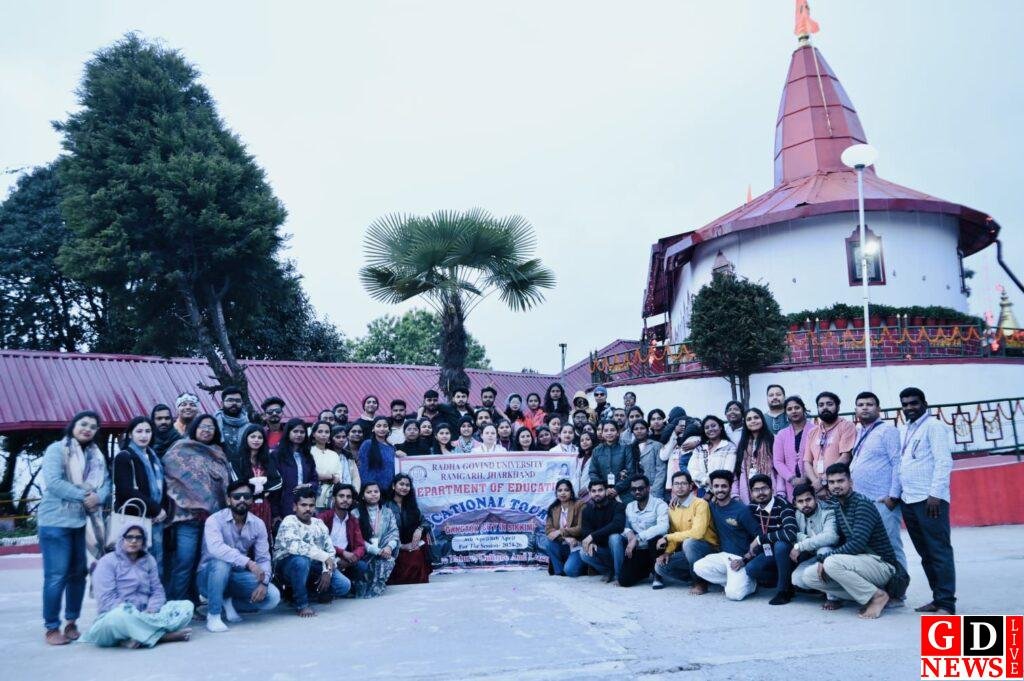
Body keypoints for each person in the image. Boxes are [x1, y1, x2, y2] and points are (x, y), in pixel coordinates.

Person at [38, 411, 110, 645]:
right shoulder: (56, 450)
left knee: (78, 574)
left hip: (82, 522)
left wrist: (98, 498)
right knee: (56, 575)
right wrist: (85, 496)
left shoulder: (96, 455)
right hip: (55, 522)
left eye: (93, 426)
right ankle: (51, 627)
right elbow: (55, 483)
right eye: (83, 424)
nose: (88, 428)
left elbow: (107, 483)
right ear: (73, 426)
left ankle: (71, 622)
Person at [801, 463, 909, 619]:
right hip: (860, 562)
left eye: (840, 481)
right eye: (831, 482)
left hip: (882, 564)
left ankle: (878, 597)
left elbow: (857, 544)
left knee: (831, 563)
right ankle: (869, 593)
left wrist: (824, 558)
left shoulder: (862, 504)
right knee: (809, 577)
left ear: (850, 482)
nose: (836, 486)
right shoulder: (838, 506)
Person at [896, 387, 956, 615]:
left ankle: (947, 604)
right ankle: (937, 598)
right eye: (905, 404)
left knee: (939, 551)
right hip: (909, 500)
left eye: (914, 403)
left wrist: (935, 495)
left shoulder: (935, 427)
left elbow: (943, 462)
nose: (909, 407)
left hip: (930, 500)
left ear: (924, 403)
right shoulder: (904, 430)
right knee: (925, 553)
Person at [83, 525, 193, 648]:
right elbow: (106, 599)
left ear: (143, 541)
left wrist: (151, 610)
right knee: (120, 616)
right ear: (121, 539)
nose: (134, 541)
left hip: (147, 614)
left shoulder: (149, 560)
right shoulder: (107, 561)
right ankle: (162, 637)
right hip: (115, 617)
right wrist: (134, 614)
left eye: (138, 537)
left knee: (186, 606)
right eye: (129, 537)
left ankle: (134, 638)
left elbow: (157, 591)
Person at [162, 414, 233, 602]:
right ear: (194, 428)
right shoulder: (180, 449)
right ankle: (177, 604)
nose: (207, 430)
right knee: (184, 562)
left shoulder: (218, 452)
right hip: (187, 517)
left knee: (201, 563)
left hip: (213, 519)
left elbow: (224, 483)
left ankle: (193, 602)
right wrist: (198, 499)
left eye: (211, 427)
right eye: (203, 426)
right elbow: (172, 474)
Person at [199, 480, 280, 632]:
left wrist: (264, 583)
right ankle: (214, 614)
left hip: (236, 576)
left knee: (272, 597)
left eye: (246, 496)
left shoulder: (258, 524)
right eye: (237, 496)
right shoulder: (214, 520)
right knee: (221, 563)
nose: (242, 500)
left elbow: (263, 558)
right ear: (228, 500)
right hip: (208, 577)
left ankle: (228, 601)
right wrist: (248, 563)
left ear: (252, 499)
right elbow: (216, 548)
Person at [849, 391, 907, 571]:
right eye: (860, 405)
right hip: (862, 501)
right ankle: (881, 590)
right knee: (870, 548)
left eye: (869, 404)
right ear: (855, 410)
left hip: (883, 500)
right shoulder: (858, 432)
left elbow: (897, 463)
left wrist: (893, 496)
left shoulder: (887, 430)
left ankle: (899, 593)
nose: (864, 407)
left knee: (891, 546)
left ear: (878, 408)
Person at [273, 486, 351, 616]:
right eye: (303, 505)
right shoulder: (289, 521)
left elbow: (330, 550)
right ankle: (302, 604)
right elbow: (296, 546)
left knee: (344, 585)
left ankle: (307, 592)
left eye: (311, 505)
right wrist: (324, 558)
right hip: (287, 566)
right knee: (301, 561)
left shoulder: (318, 523)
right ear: (294, 507)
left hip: (313, 565)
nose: (308, 509)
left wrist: (327, 571)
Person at [114, 416, 170, 580]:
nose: (143, 435)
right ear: (130, 434)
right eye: (139, 431)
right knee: (133, 566)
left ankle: (153, 602)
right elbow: (126, 491)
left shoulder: (154, 458)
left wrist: (162, 510)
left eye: (147, 431)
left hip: (156, 521)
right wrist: (156, 508)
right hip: (134, 520)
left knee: (153, 566)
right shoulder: (125, 456)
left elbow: (162, 489)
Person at [691, 470, 761, 600]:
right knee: (698, 567)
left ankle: (751, 584)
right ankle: (731, 582)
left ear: (730, 487)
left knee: (734, 595)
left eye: (724, 486)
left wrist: (746, 559)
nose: (720, 490)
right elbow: (696, 506)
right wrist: (677, 499)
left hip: (740, 559)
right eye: (716, 486)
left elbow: (759, 536)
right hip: (723, 557)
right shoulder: (711, 507)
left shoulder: (741, 509)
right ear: (711, 488)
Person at [652, 470, 717, 591]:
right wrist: (668, 552)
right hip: (690, 553)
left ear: (691, 486)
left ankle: (700, 583)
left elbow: (697, 533)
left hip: (708, 549)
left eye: (683, 483)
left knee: (689, 542)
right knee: (660, 567)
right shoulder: (672, 508)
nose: (680, 487)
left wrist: (668, 537)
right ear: (672, 487)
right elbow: (673, 533)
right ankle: (697, 577)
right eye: (676, 484)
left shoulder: (700, 504)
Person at [744, 474, 798, 604]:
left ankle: (784, 591)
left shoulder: (783, 505)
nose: (761, 493)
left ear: (772, 489)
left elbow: (791, 533)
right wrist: (745, 557)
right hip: (768, 553)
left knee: (781, 545)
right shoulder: (752, 508)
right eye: (756, 490)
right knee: (751, 569)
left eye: (764, 488)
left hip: (789, 553)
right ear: (751, 493)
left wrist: (760, 539)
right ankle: (786, 580)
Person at [788, 483, 840, 604]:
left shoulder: (828, 511)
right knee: (796, 579)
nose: (805, 504)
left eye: (808, 499)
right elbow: (795, 534)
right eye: (800, 501)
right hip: (812, 557)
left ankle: (834, 598)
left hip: (834, 556)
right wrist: (811, 539)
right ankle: (826, 588)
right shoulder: (798, 514)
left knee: (824, 549)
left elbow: (831, 536)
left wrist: (801, 545)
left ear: (815, 498)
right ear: (795, 503)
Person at [564, 480, 626, 580]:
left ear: (606, 491)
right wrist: (591, 541)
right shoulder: (587, 510)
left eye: (600, 490)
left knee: (614, 537)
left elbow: (618, 525)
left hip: (618, 549)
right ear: (589, 493)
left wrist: (592, 536)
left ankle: (620, 576)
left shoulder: (617, 506)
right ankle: (608, 571)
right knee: (584, 553)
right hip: (602, 550)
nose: (597, 493)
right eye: (593, 491)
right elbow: (586, 531)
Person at [617, 475, 669, 586]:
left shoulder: (660, 504)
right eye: (633, 489)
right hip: (638, 550)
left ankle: (658, 575)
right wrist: (629, 532)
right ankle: (644, 571)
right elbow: (623, 526)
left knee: (656, 537)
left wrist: (638, 537)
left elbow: (664, 526)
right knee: (624, 581)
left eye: (640, 488)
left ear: (648, 488)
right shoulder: (630, 507)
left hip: (655, 549)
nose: (637, 491)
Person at [804, 391, 857, 498]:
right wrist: (816, 483)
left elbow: (846, 457)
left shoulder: (846, 426)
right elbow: (807, 461)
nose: (825, 408)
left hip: (838, 485)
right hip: (818, 489)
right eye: (821, 405)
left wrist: (824, 480)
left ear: (838, 407)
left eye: (829, 404)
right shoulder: (813, 432)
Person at [317, 483, 367, 588]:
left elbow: (361, 546)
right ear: (334, 498)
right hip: (325, 559)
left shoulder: (353, 520)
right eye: (341, 496)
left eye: (348, 497)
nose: (345, 499)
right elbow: (319, 542)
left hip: (344, 561)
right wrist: (343, 553)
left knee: (362, 566)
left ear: (352, 500)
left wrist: (353, 557)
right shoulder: (323, 517)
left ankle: (345, 585)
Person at [354, 482, 399, 597]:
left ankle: (377, 587)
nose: (373, 494)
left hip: (384, 551)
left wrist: (389, 548)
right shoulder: (355, 513)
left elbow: (394, 532)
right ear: (363, 495)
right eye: (369, 492)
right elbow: (355, 538)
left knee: (389, 560)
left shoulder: (388, 512)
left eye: (376, 491)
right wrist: (376, 550)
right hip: (363, 553)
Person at [387, 474, 433, 585]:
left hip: (412, 545)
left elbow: (426, 522)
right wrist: (401, 546)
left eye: (407, 485)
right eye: (401, 484)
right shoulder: (385, 505)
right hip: (392, 546)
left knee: (417, 556)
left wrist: (420, 528)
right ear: (394, 486)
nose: (404, 487)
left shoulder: (412, 506)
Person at [272, 418, 318, 521]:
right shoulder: (277, 455)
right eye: (295, 431)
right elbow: (274, 486)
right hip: (285, 503)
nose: (299, 434)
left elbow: (315, 480)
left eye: (302, 432)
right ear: (288, 433)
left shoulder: (307, 456)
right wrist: (275, 513)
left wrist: (307, 485)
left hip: (306, 505)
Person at [733, 408, 779, 504]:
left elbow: (779, 469)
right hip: (747, 489)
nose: (753, 421)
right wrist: (735, 493)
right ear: (745, 423)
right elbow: (736, 471)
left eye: (756, 418)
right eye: (749, 419)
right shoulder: (741, 444)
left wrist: (780, 491)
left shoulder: (773, 440)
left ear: (762, 419)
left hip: (771, 487)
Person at [539, 479, 584, 575]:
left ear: (571, 492)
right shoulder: (553, 508)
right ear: (556, 493)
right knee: (548, 542)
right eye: (560, 490)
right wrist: (566, 537)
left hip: (576, 546)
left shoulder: (580, 505)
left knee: (570, 571)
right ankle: (559, 572)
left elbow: (581, 528)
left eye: (566, 490)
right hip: (562, 545)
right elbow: (549, 531)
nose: (563, 493)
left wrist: (560, 532)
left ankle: (576, 565)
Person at [687, 415, 737, 496]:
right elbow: (692, 469)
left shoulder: (729, 447)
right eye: (707, 427)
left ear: (720, 427)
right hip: (702, 489)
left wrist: (712, 489)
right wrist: (706, 480)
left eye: (713, 426)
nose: (710, 429)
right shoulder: (699, 449)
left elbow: (728, 470)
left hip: (722, 490)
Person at [590, 420, 636, 504]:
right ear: (602, 433)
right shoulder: (597, 450)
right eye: (606, 430)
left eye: (612, 430)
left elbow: (631, 472)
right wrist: (604, 489)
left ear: (618, 432)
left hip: (624, 493)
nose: (609, 433)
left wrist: (616, 489)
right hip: (603, 494)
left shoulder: (626, 448)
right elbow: (593, 472)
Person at [773, 396, 809, 500]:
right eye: (789, 409)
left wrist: (806, 477)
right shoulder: (781, 434)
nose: (794, 411)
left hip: (812, 481)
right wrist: (792, 479)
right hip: (791, 484)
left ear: (803, 409)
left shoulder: (815, 430)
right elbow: (778, 461)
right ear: (786, 413)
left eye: (797, 407)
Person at [660, 416, 702, 496]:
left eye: (684, 425)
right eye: (678, 425)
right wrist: (674, 434)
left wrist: (697, 443)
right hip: (675, 485)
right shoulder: (672, 441)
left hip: (691, 484)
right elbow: (663, 456)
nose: (682, 428)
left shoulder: (692, 439)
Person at [359, 416, 402, 491]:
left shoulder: (392, 448)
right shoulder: (367, 444)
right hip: (372, 490)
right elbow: (363, 468)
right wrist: (368, 488)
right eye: (378, 426)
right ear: (373, 429)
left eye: (385, 426)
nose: (382, 429)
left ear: (389, 429)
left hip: (389, 490)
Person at [308, 420, 343, 510]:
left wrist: (333, 477)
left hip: (331, 496)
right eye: (320, 431)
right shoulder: (308, 452)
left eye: (327, 432)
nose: (324, 434)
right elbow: (310, 475)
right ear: (313, 434)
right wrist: (330, 476)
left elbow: (338, 476)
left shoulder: (333, 454)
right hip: (312, 494)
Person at [630, 419, 666, 502]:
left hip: (653, 488)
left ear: (648, 430)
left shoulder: (656, 445)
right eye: (636, 429)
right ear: (632, 432)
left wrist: (655, 491)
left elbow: (661, 470)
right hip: (637, 490)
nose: (639, 431)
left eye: (642, 428)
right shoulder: (630, 448)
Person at [215, 385, 250, 458]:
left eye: (238, 401)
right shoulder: (214, 424)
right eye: (230, 400)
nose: (234, 403)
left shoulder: (249, 427)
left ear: (242, 404)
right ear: (222, 404)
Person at [330, 425, 362, 491]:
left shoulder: (348, 455)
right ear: (331, 439)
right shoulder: (326, 455)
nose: (341, 440)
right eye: (338, 437)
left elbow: (356, 478)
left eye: (344, 437)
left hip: (349, 492)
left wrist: (355, 492)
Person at [574, 432, 596, 502]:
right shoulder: (579, 457)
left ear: (593, 441)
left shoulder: (596, 456)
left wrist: (587, 487)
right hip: (577, 494)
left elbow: (598, 475)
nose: (584, 442)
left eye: (587, 439)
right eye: (582, 440)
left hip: (591, 493)